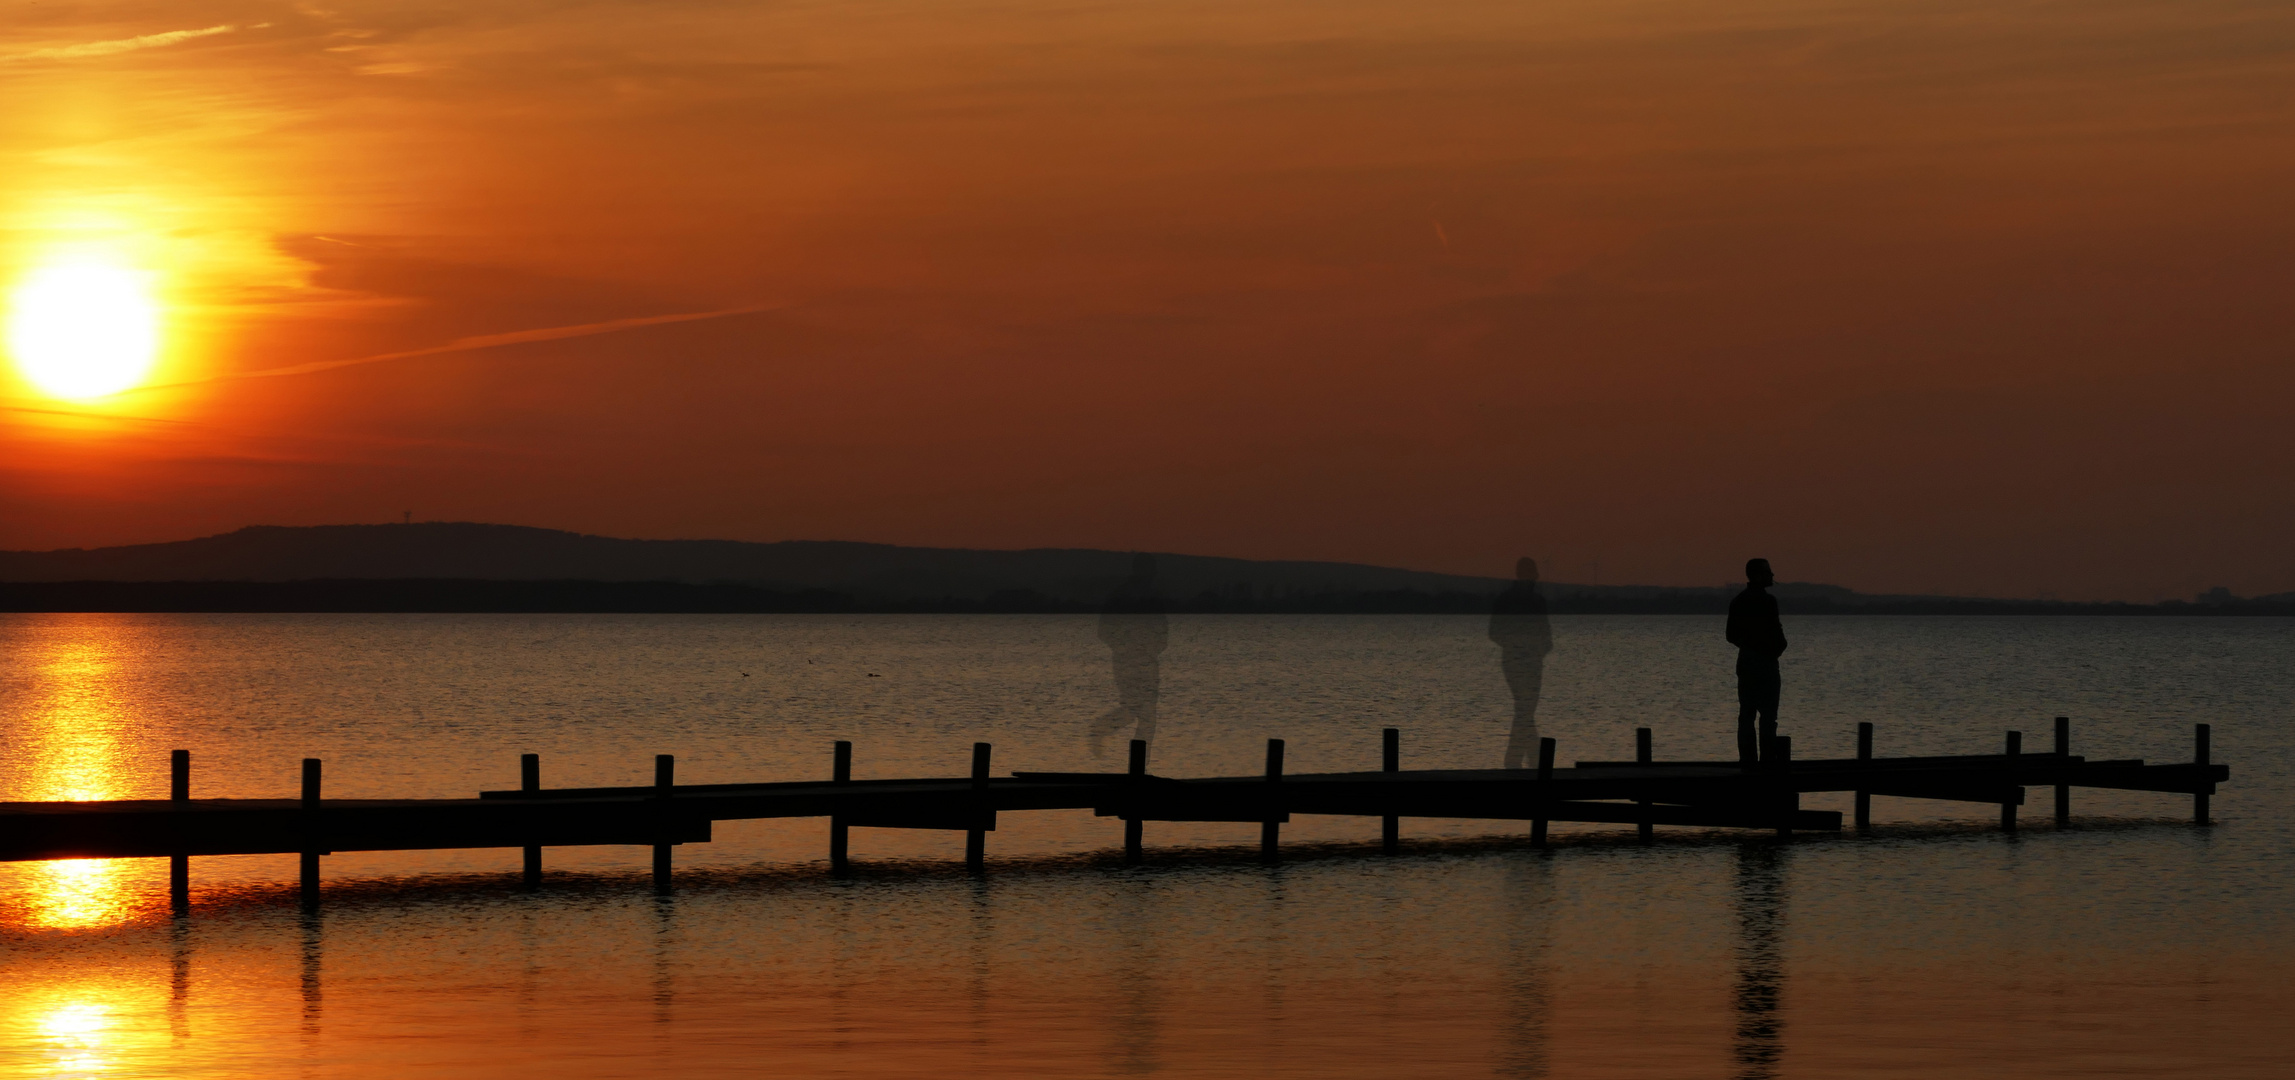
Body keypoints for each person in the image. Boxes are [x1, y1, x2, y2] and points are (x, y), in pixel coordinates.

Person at [1088, 553, 1168, 758]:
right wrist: (1125, 649)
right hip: (1127, 661)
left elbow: (1162, 630)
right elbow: (1104, 630)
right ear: (1140, 571)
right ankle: (1100, 730)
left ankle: (1141, 765)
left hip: (1148, 661)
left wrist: (1153, 648)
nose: (1153, 575)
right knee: (1135, 710)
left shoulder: (1154, 597)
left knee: (1147, 714)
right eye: (1150, 570)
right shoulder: (1120, 596)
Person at [1489, 557, 1553, 769]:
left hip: (1529, 661)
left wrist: (1537, 650)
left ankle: (1520, 761)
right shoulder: (1509, 600)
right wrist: (1522, 647)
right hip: (1518, 661)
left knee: (1524, 710)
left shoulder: (1536, 601)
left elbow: (1546, 637)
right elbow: (1495, 632)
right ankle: (1525, 761)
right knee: (1525, 709)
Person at [1726, 558, 1787, 764]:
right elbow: (1777, 634)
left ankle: (1748, 761)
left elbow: (1730, 635)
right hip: (1765, 663)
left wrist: (1749, 646)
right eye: (1769, 572)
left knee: (1747, 714)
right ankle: (1767, 761)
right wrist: (1774, 649)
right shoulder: (1768, 602)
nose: (1772, 576)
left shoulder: (1738, 601)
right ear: (1759, 575)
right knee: (1768, 716)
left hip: (1746, 662)